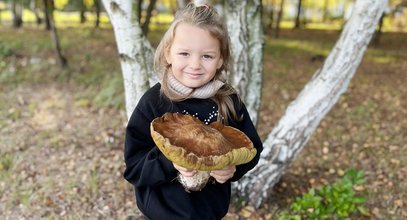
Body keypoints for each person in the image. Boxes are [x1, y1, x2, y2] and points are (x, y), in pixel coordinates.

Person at [124, 3, 263, 220]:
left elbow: (252, 149)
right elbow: (134, 167)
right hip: (162, 215)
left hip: (210, 213)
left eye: (207, 56)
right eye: (185, 53)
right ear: (168, 54)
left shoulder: (228, 100)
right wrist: (169, 162)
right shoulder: (154, 102)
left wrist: (234, 169)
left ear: (221, 60)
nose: (195, 64)